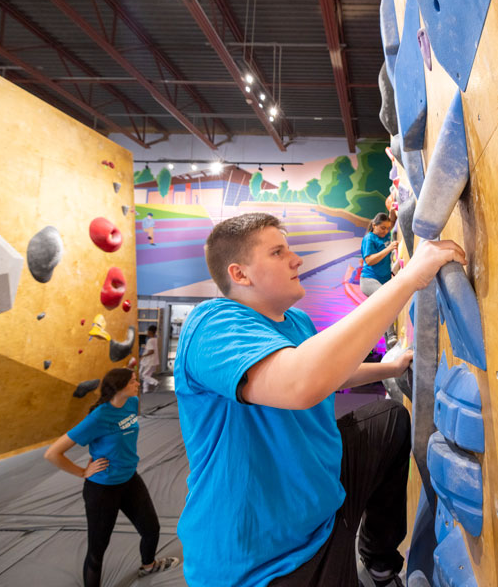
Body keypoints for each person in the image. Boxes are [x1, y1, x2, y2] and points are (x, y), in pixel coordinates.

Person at [173, 213, 465, 586]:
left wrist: (387, 368)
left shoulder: (295, 322)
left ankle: (378, 560)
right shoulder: (212, 324)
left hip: (322, 497)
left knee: (389, 421)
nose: (296, 260)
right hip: (266, 561)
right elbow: (300, 383)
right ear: (240, 274)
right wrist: (409, 279)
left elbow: (329, 373)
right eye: (278, 253)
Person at [44, 368, 179, 587]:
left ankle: (148, 566)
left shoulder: (132, 403)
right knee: (97, 550)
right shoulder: (98, 417)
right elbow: (52, 453)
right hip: (102, 489)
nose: (138, 383)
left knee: (151, 529)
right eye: (134, 381)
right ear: (120, 386)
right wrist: (82, 472)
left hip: (129, 480)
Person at [360, 212, 399, 348]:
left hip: (384, 279)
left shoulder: (384, 236)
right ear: (374, 225)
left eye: (387, 228)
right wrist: (388, 249)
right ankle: (392, 335)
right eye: (382, 228)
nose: (385, 231)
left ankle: (390, 349)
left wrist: (393, 211)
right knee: (385, 298)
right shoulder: (369, 238)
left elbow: (393, 221)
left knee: (384, 309)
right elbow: (369, 260)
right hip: (368, 280)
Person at [140, 325, 160, 392]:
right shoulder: (156, 339)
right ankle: (145, 390)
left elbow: (151, 351)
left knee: (143, 375)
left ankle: (155, 382)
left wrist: (143, 356)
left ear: (150, 332)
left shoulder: (150, 340)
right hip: (154, 361)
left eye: (147, 331)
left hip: (149, 361)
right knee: (147, 375)